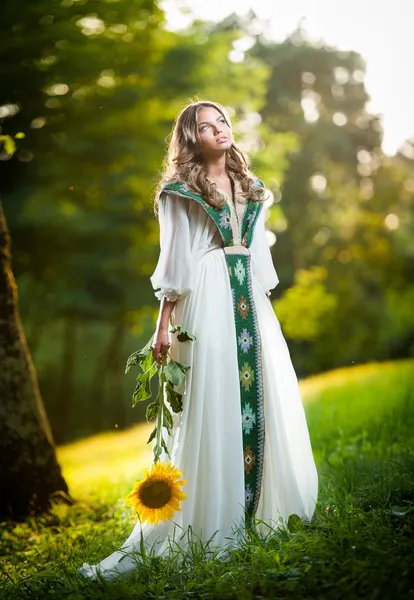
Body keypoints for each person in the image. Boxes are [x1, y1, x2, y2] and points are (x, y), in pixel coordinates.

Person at [79, 100, 318, 581]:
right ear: (192, 139)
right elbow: (176, 260)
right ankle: (216, 516)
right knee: (215, 398)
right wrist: (163, 323)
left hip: (248, 295)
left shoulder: (253, 188)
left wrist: (260, 300)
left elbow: (259, 253)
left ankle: (265, 510)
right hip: (206, 296)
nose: (219, 131)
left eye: (222, 122)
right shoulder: (179, 191)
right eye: (206, 127)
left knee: (264, 391)